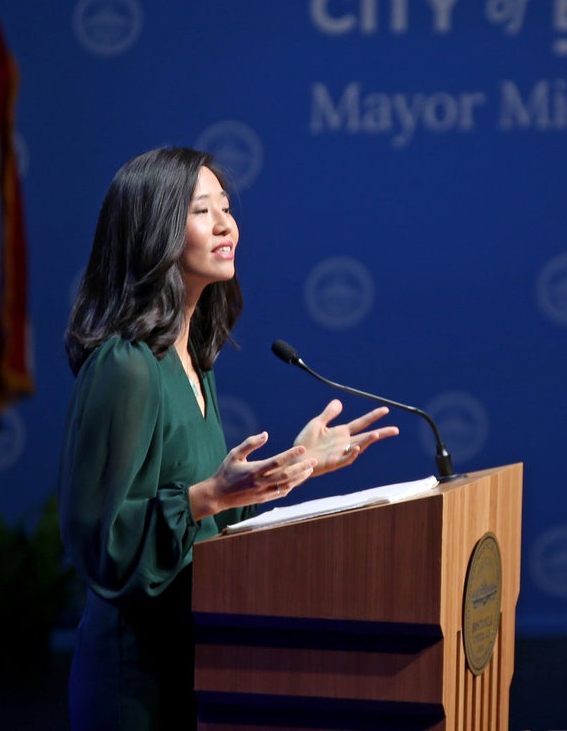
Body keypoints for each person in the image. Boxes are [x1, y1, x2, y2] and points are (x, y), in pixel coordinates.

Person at [58, 146, 399, 730]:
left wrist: (296, 466)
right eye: (201, 211)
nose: (226, 224)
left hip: (200, 655)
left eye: (225, 207)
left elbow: (206, 523)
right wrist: (209, 496)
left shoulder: (194, 360)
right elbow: (99, 540)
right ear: (154, 231)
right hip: (134, 680)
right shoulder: (128, 366)